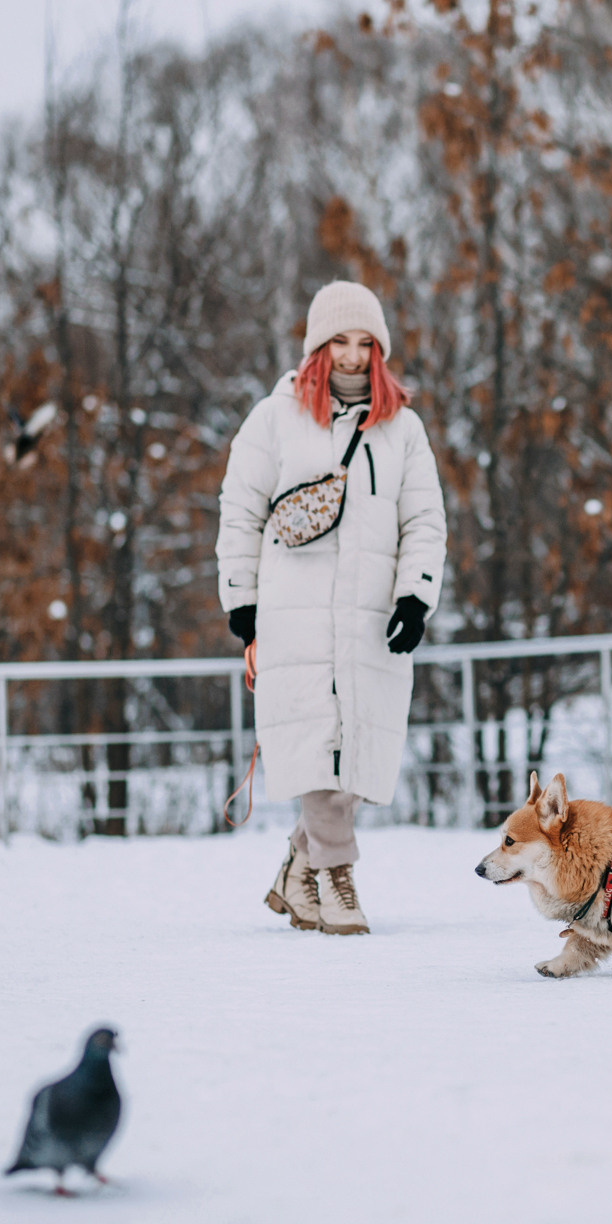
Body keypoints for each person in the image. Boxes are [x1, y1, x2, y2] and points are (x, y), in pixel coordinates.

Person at [216, 281, 447, 935]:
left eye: (364, 342)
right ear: (317, 346)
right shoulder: (275, 418)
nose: (351, 354)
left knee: (353, 748)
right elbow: (239, 510)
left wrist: (416, 593)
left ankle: (298, 865)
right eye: (339, 341)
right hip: (294, 617)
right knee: (318, 743)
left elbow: (424, 519)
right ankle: (336, 877)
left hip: (370, 618)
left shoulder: (403, 428)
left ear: (380, 349)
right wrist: (243, 605)